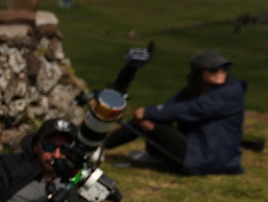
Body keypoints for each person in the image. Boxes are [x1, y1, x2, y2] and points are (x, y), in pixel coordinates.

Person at [105, 50, 246, 175]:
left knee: (151, 118)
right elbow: (171, 107)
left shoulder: (231, 92)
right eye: (214, 69)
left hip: (210, 159)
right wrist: (150, 116)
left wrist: (148, 112)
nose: (221, 71)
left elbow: (194, 109)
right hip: (200, 152)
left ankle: (100, 146)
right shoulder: (196, 88)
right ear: (200, 72)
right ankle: (151, 154)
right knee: (151, 119)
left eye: (224, 67)